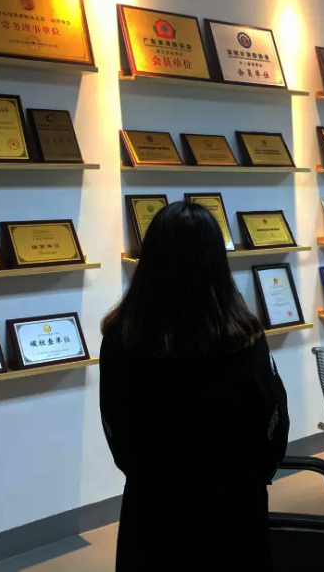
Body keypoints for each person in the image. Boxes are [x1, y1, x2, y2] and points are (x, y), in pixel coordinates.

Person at [100, 201, 289, 572]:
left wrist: (146, 471)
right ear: (216, 260)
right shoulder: (243, 337)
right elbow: (272, 421)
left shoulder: (121, 338)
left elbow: (115, 426)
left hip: (151, 498)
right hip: (231, 501)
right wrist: (251, 477)